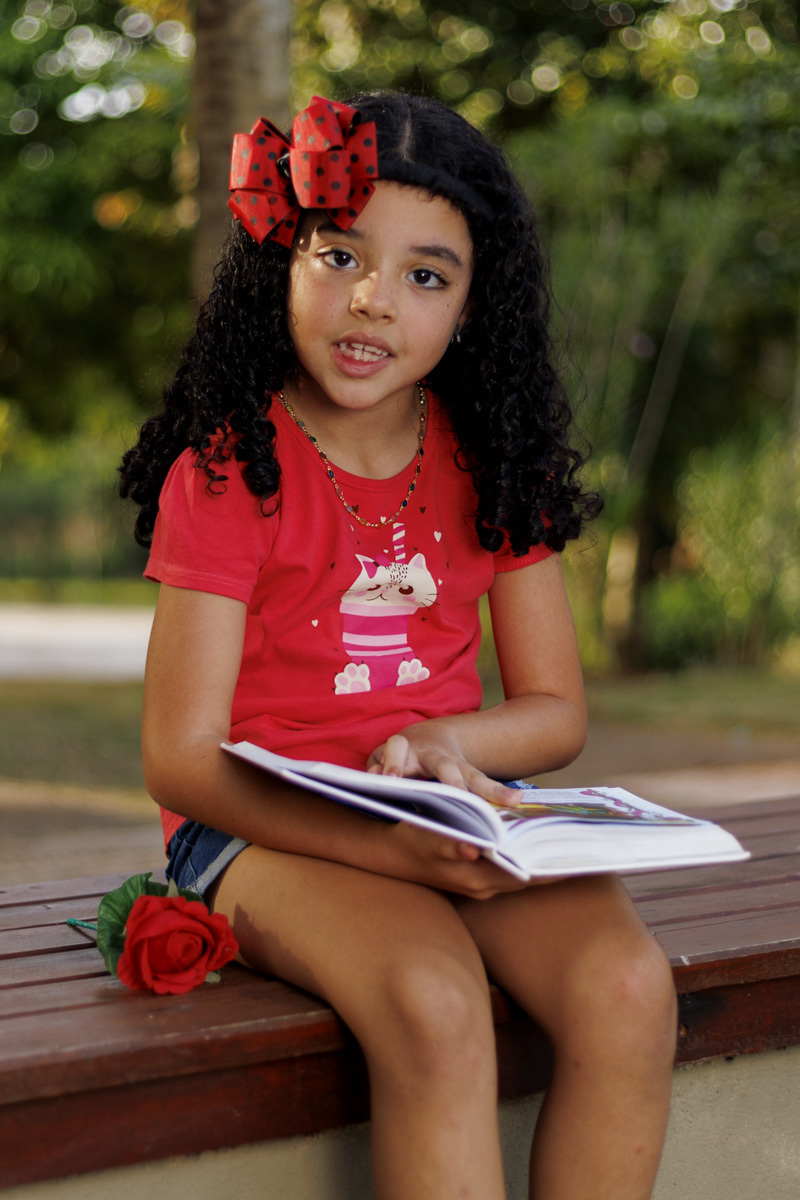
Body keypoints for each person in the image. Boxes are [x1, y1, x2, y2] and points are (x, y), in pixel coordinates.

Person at [120, 91, 677, 1200]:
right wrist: (385, 847)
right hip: (258, 827)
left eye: (427, 275)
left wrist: (446, 744)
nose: (373, 298)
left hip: (442, 808)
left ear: (472, 306)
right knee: (432, 999)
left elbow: (554, 712)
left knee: (626, 984)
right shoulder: (228, 470)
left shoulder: (491, 460)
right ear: (281, 263)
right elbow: (179, 761)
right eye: (340, 256)